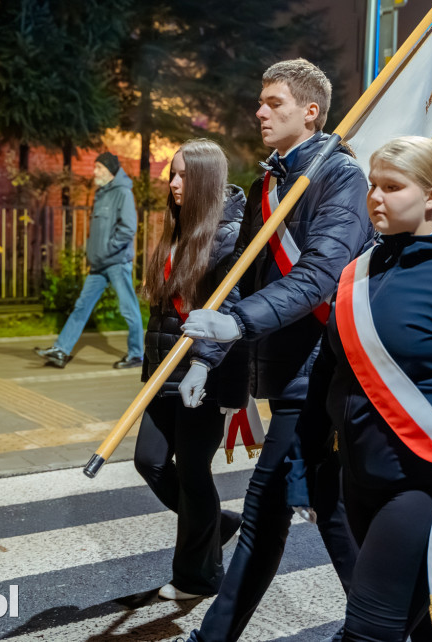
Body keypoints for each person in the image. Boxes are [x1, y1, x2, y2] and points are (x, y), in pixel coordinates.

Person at [287, 136, 432, 640]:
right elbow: (325, 381)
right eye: (373, 184)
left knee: (369, 631)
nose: (376, 197)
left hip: (421, 490)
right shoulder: (357, 273)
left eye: (393, 186)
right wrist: (302, 470)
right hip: (358, 482)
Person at [179, 58, 371, 641]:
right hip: (290, 370)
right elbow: (248, 273)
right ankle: (390, 626)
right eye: (260, 102)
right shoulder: (274, 180)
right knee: (325, 510)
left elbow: (319, 276)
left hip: (320, 370)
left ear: (311, 111)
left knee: (266, 508)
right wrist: (205, 355)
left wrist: (236, 325)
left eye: (276, 103)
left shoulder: (338, 179)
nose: (260, 111)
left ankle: (381, 627)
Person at [132, 139, 248, 600]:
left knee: (194, 470)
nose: (174, 184)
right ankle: (216, 524)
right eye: (171, 176)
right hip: (164, 368)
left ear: (205, 179)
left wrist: (203, 363)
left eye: (183, 176)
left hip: (206, 372)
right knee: (150, 461)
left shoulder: (232, 233)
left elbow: (231, 310)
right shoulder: (178, 225)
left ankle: (197, 578)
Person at [35, 152, 144, 369]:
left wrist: (107, 250)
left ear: (110, 171)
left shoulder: (122, 193)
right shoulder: (102, 193)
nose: (94, 172)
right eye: (95, 168)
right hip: (99, 264)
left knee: (128, 309)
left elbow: (128, 228)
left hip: (117, 262)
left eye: (99, 168)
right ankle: (61, 350)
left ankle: (136, 354)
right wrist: (94, 253)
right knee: (81, 307)